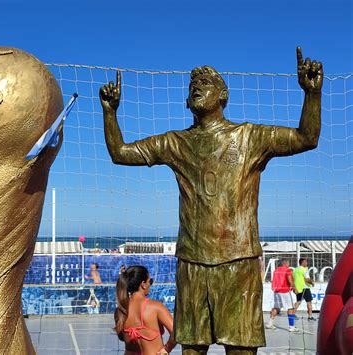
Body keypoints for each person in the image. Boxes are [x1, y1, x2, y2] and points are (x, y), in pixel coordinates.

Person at [100, 47, 322, 354]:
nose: (197, 87)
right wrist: (110, 114)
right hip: (192, 264)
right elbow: (120, 153)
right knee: (191, 348)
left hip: (239, 261)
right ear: (186, 102)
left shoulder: (249, 137)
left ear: (223, 95)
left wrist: (312, 95)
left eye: (206, 83)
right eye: (193, 86)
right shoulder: (175, 142)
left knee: (241, 349)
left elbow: (306, 138)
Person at [115, 265, 176, 354]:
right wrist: (167, 349)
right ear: (143, 284)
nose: (150, 285)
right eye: (150, 281)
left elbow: (121, 337)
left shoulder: (120, 310)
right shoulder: (156, 307)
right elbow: (175, 333)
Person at [265, 259, 298, 332]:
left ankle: (269, 323)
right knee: (290, 308)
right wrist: (294, 288)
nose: (289, 264)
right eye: (288, 262)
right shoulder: (287, 270)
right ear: (285, 263)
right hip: (285, 291)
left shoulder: (276, 270)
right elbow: (290, 280)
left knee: (276, 307)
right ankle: (291, 327)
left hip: (277, 291)